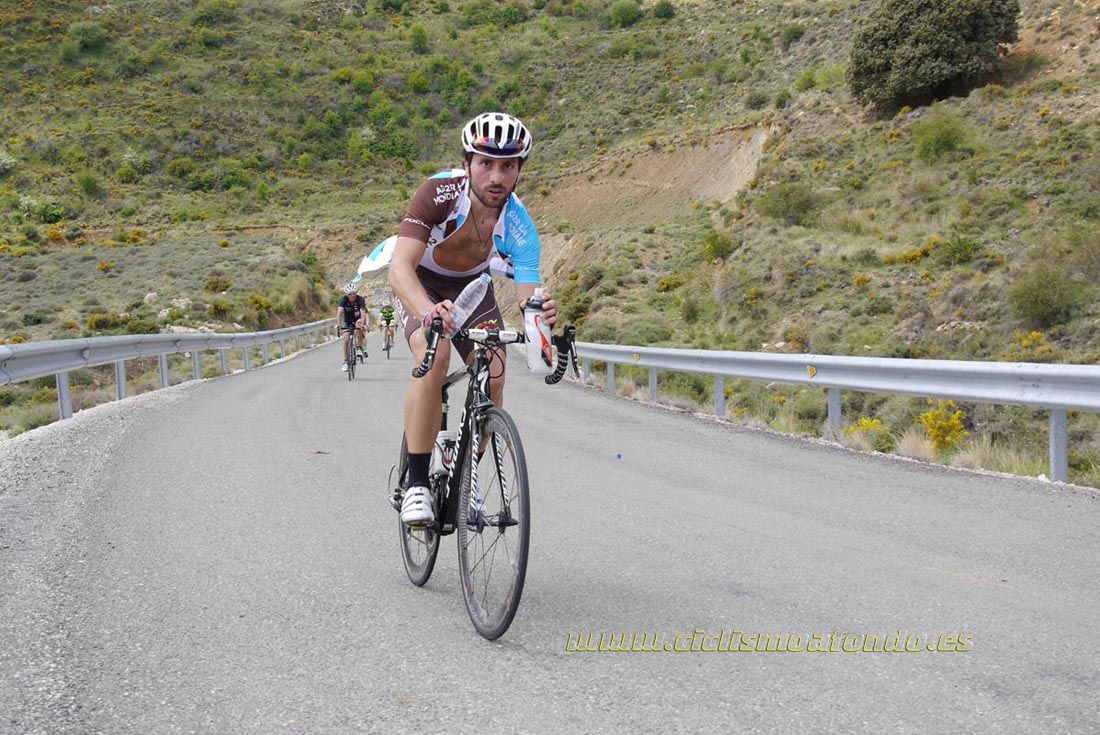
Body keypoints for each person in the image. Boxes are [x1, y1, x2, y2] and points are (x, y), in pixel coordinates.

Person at [389, 112, 557, 526]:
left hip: (470, 289)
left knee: (495, 370)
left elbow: (526, 299)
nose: (496, 176)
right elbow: (400, 270)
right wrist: (427, 312)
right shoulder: (438, 193)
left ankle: (465, 480)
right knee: (436, 354)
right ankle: (416, 484)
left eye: (507, 166)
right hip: (422, 285)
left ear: (519, 171)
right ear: (467, 165)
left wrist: (542, 315)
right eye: (486, 163)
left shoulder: (520, 225)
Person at [336, 283, 369, 371]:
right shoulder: (343, 300)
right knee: (346, 339)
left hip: (358, 320)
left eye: (354, 293)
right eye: (350, 294)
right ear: (347, 295)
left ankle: (359, 347)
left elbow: (363, 312)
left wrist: (364, 324)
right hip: (347, 321)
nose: (352, 296)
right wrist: (338, 324)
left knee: (359, 324)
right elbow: (339, 313)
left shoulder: (360, 299)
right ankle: (346, 361)